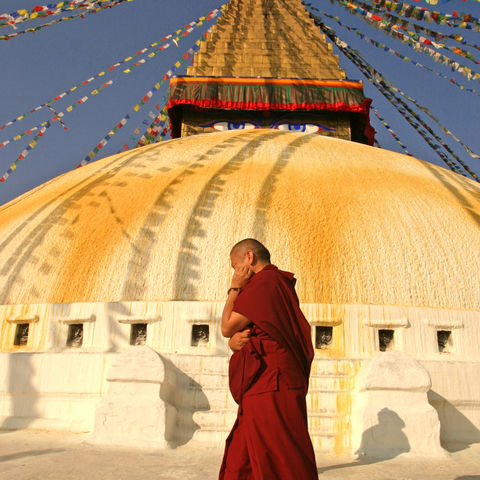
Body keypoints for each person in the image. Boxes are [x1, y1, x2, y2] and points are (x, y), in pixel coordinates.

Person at [219, 238, 318, 480]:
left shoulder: (265, 283)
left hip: (271, 383)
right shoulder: (275, 284)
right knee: (242, 456)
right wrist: (236, 344)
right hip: (265, 381)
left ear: (249, 258)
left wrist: (234, 287)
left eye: (235, 265)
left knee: (283, 456)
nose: (235, 271)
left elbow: (227, 326)